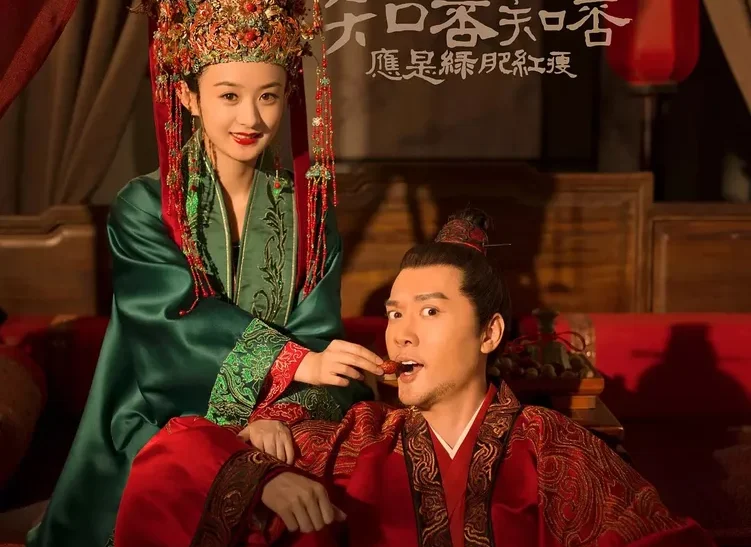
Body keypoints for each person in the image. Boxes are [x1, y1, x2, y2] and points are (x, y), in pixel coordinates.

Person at [115, 208, 716, 547]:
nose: (400, 334)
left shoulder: (554, 449)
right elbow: (171, 461)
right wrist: (258, 475)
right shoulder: (359, 438)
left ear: (489, 333)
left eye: (429, 312)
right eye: (394, 314)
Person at [26, 1, 383, 546]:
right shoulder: (144, 207)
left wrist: (277, 416)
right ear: (189, 97)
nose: (251, 119)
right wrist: (294, 364)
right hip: (160, 422)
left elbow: (318, 336)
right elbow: (168, 329)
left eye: (268, 96)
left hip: (282, 421)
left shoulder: (309, 213)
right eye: (229, 96)